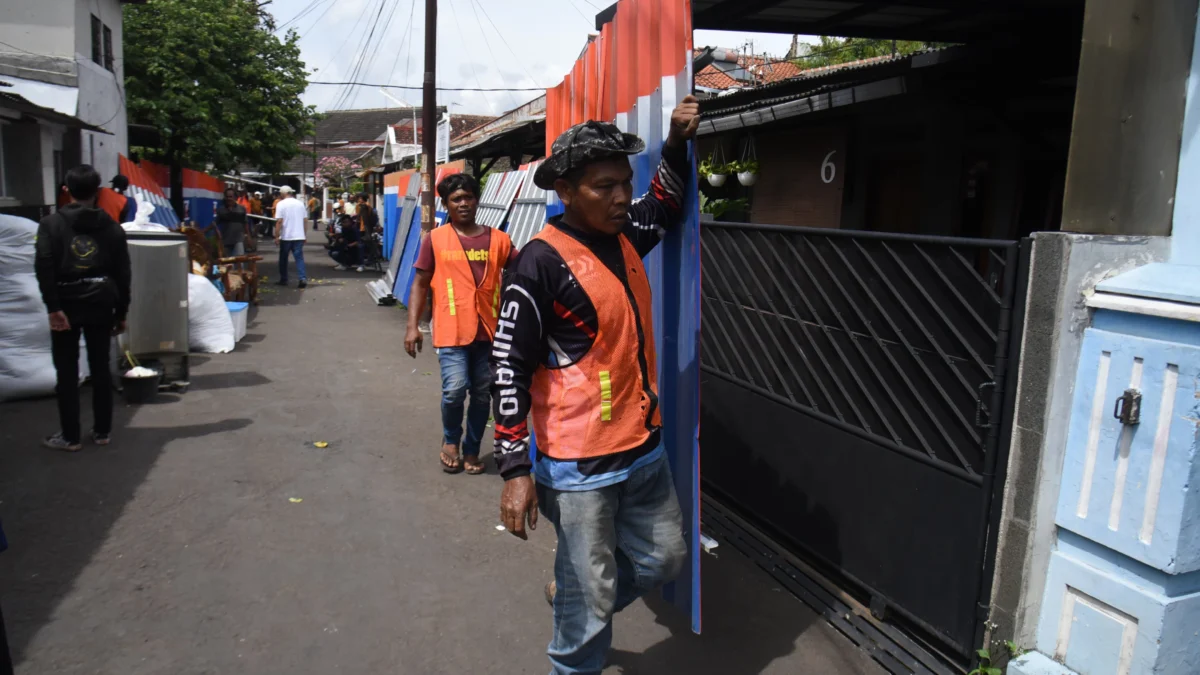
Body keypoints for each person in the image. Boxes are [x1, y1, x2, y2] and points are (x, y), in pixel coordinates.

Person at [492, 97, 700, 674]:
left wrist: (678, 143)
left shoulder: (628, 233)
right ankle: (577, 643)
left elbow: (663, 202)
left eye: (622, 184)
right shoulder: (539, 263)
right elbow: (508, 367)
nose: (618, 197)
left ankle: (580, 600)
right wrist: (513, 471)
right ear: (565, 190)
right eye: (603, 186)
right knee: (591, 598)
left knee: (664, 559)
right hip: (578, 463)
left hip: (642, 447)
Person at [405, 174, 514, 476]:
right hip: (452, 331)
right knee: (455, 390)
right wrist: (412, 326)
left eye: (468, 197)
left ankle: (472, 449)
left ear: (476, 200)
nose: (463, 203)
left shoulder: (499, 240)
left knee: (481, 394)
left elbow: (524, 272)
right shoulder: (436, 240)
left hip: (490, 333)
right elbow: (420, 283)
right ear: (446, 204)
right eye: (456, 199)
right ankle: (451, 440)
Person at [35, 164, 131, 452]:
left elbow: (44, 266)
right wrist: (122, 311)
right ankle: (102, 431)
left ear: (67, 190)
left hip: (65, 304)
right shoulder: (112, 227)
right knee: (100, 368)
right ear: (98, 191)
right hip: (101, 302)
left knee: (66, 370)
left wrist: (53, 307)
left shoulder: (51, 225)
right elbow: (123, 272)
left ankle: (70, 436)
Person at [273, 185, 308, 289]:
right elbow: (305, 220)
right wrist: (304, 235)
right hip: (299, 236)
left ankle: (284, 279)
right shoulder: (300, 204)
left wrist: (276, 235)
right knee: (299, 258)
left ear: (283, 193)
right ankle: (302, 278)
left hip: (286, 236)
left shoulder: (281, 204)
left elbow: (279, 221)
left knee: (283, 258)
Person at [214, 188, 249, 260]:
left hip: (238, 240)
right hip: (226, 241)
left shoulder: (241, 209)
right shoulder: (221, 210)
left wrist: (248, 236)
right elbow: (215, 223)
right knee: (228, 264)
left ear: (235, 198)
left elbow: (245, 223)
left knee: (239, 261)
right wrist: (204, 231)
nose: (229, 199)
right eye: (227, 197)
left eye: (231, 197)